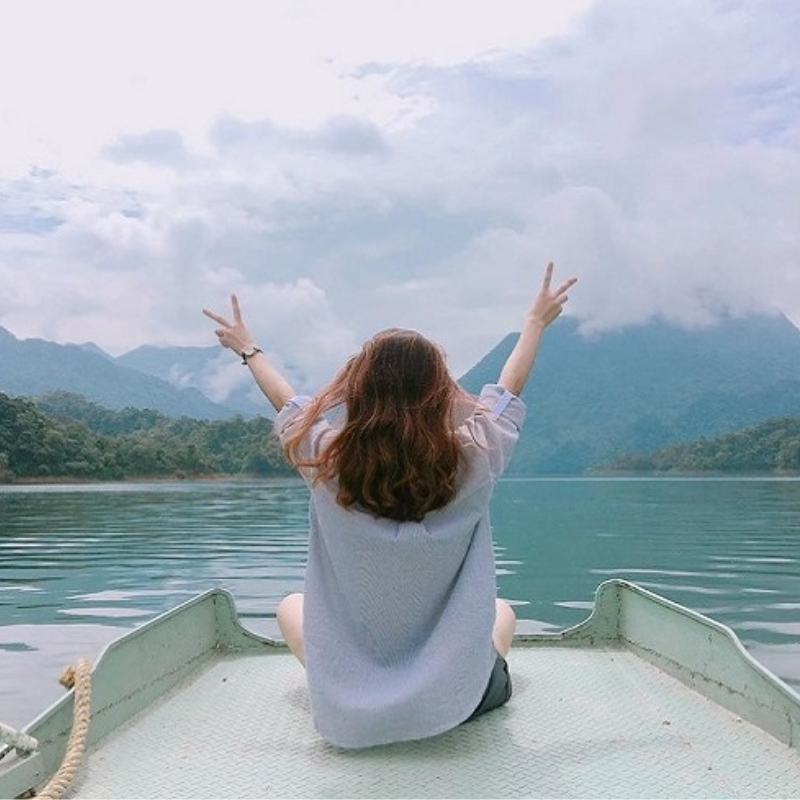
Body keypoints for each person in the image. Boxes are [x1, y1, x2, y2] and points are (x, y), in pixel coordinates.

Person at [202, 262, 577, 749]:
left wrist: (247, 349)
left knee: (290, 607)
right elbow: (507, 391)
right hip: (459, 704)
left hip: (350, 717)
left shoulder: (324, 458)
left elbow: (286, 401)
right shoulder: (477, 453)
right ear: (439, 390)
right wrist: (534, 323)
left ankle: (361, 688)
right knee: (501, 611)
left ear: (358, 389)